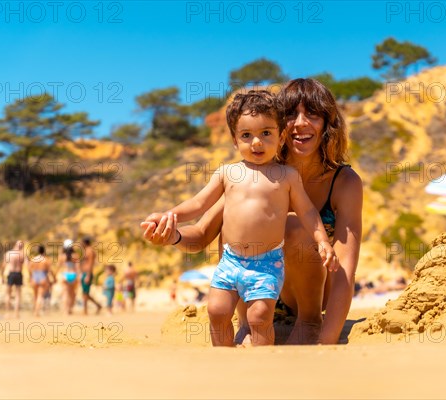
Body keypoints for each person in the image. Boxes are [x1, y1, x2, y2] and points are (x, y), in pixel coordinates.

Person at [142, 79, 362, 345]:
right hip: (255, 294)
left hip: (310, 296)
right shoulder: (256, 175)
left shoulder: (344, 182)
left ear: (328, 123)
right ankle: (246, 324)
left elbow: (344, 272)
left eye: (313, 114)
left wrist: (326, 341)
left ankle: (308, 323)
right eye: (291, 114)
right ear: (280, 125)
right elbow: (200, 235)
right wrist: (172, 235)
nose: (301, 123)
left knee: (294, 225)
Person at [0, 240, 26, 318]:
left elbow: (3, 266)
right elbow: (28, 265)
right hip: (18, 274)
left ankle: (7, 313)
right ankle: (16, 313)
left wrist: (2, 276)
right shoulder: (22, 254)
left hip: (11, 274)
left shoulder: (8, 254)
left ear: (15, 245)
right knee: (17, 294)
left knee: (8, 294)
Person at [28, 244, 54, 317]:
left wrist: (30, 278)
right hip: (42, 277)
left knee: (35, 295)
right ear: (44, 251)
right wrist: (54, 279)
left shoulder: (33, 259)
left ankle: (35, 311)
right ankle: (37, 312)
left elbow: (29, 270)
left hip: (34, 276)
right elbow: (50, 271)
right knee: (40, 296)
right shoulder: (46, 260)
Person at [81, 237, 102, 315]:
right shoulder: (86, 251)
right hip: (85, 273)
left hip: (87, 273)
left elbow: (90, 264)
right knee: (84, 293)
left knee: (85, 293)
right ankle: (97, 305)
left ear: (85, 243)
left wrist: (88, 275)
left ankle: (85, 310)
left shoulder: (90, 251)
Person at [59, 239, 79, 315]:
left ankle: (65, 310)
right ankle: (70, 308)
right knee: (72, 293)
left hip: (65, 274)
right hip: (73, 274)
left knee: (65, 293)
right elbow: (77, 267)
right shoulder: (75, 255)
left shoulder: (62, 256)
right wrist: (78, 276)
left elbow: (59, 266)